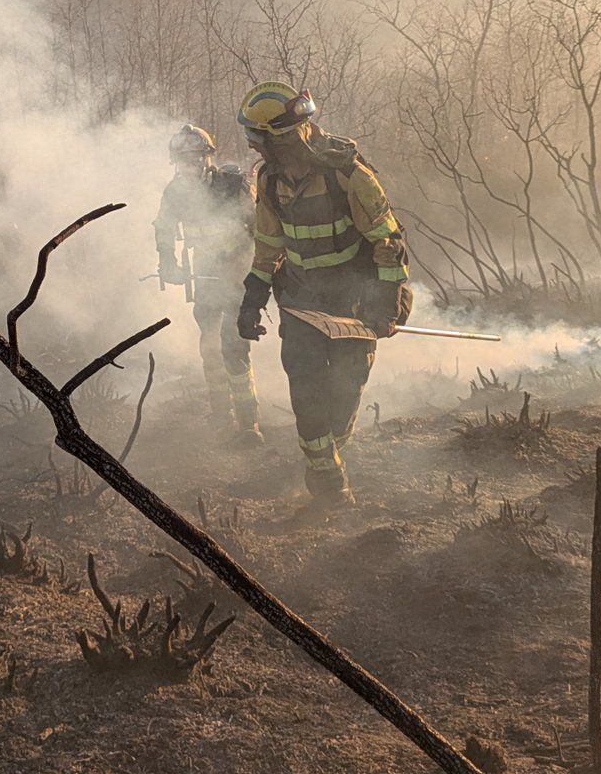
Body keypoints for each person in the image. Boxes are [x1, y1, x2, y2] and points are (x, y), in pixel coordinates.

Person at [233, 82, 410, 505]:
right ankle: (329, 489)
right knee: (308, 401)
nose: (253, 147)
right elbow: (268, 246)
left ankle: (332, 450)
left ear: (282, 137)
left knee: (344, 395)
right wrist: (252, 298)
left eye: (257, 138)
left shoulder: (348, 174)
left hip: (353, 303)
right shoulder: (270, 180)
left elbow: (387, 240)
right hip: (302, 304)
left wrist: (385, 301)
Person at [152, 124, 261, 440]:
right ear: (176, 162)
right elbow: (164, 226)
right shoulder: (175, 193)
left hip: (239, 272)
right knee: (209, 345)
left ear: (208, 158)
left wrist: (263, 272)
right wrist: (168, 262)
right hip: (205, 274)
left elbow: (258, 226)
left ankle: (247, 421)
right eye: (185, 160)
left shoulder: (232, 185)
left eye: (198, 158)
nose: (192, 165)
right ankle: (220, 415)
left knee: (233, 344)